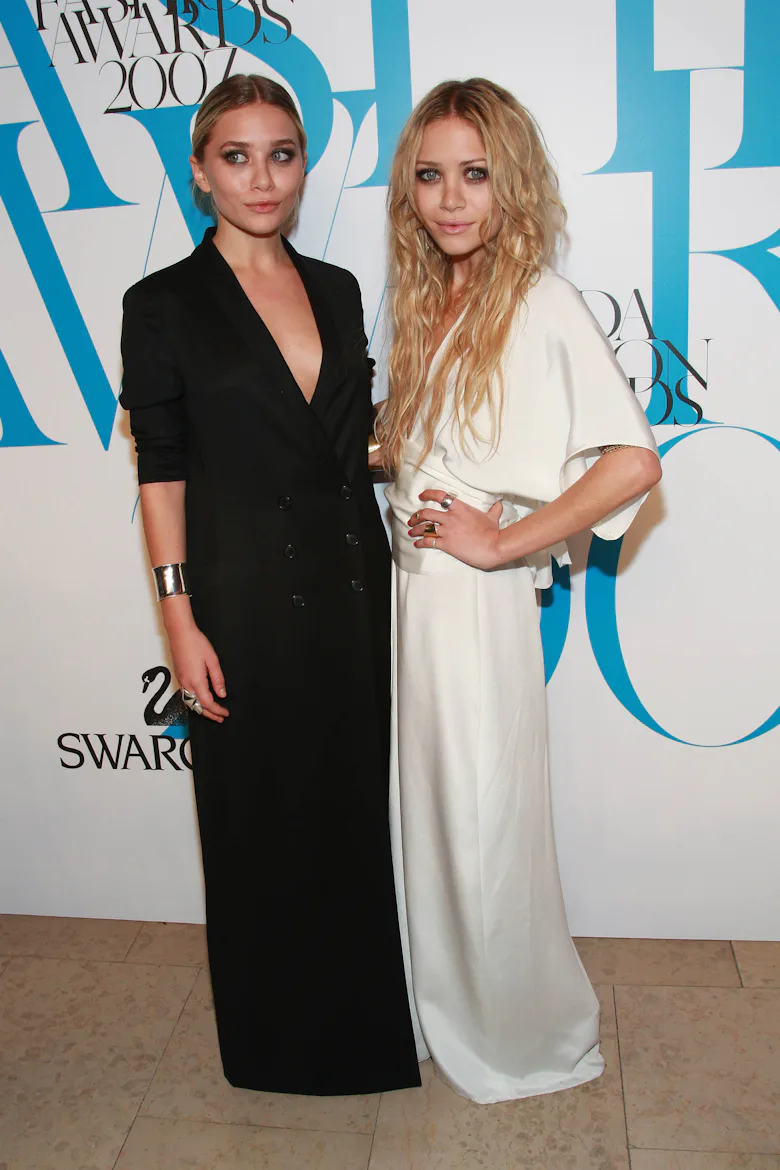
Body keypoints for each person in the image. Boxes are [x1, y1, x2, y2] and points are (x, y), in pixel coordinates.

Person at [119, 74, 420, 1096]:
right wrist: (177, 614)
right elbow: (160, 468)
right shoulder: (162, 304)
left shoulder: (335, 287)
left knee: (345, 813)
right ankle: (275, 1045)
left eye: (282, 153)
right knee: (254, 822)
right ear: (200, 171)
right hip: (239, 599)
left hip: (348, 588)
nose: (262, 177)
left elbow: (351, 443)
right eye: (237, 156)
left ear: (302, 164)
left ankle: (365, 1036)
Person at [377, 78, 662, 1104]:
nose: (452, 199)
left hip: (473, 607)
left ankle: (510, 1029)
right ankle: (442, 1005)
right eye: (430, 175)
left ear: (514, 184)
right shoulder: (435, 300)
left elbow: (631, 463)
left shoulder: (538, 299)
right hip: (419, 601)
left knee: (482, 820)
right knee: (437, 816)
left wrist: (501, 545)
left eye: (477, 174)